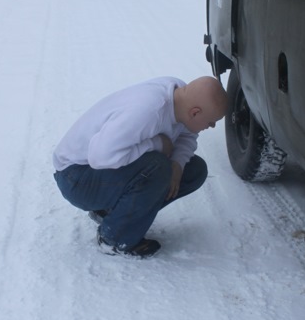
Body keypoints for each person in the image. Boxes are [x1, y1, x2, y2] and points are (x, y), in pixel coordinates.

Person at [53, 76, 228, 258]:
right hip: (76, 177)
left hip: (97, 171)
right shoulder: (148, 111)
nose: (212, 126)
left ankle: (112, 213)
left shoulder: (182, 98)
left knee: (193, 171)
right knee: (157, 167)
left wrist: (177, 164)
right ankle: (115, 238)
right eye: (210, 122)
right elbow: (101, 157)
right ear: (195, 112)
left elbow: (187, 135)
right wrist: (157, 143)